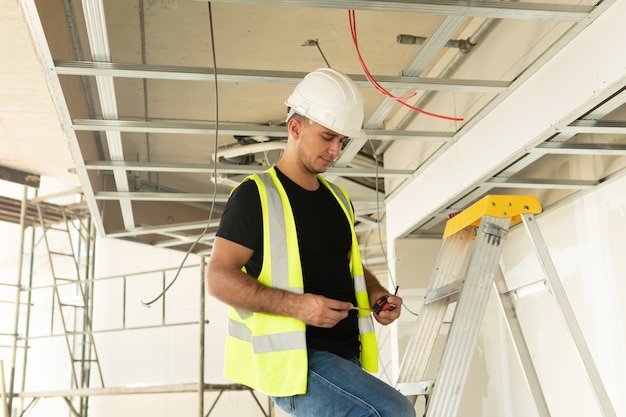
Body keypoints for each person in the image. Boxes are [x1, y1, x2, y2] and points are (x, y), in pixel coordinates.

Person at [206, 68, 415, 417]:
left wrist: (377, 294)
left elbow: (349, 266)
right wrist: (298, 307)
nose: (336, 150)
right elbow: (218, 277)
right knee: (392, 412)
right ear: (295, 128)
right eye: (328, 137)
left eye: (342, 142)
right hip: (299, 362)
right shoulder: (255, 195)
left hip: (343, 356)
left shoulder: (338, 199)